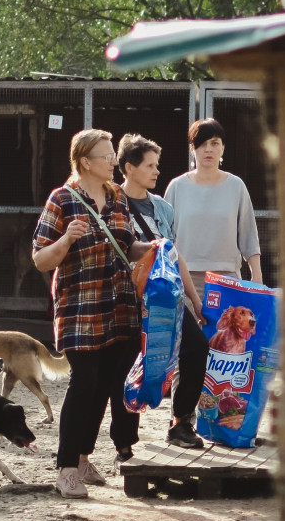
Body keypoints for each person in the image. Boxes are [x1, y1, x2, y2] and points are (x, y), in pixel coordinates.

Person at [32, 129, 151, 499]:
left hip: (118, 307)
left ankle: (84, 457)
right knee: (83, 384)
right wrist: (66, 239)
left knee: (105, 386)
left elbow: (128, 246)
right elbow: (39, 259)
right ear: (85, 161)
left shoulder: (117, 198)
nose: (114, 161)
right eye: (107, 156)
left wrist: (154, 248)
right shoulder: (62, 200)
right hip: (80, 309)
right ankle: (66, 468)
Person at [163, 118, 262, 447]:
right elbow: (165, 239)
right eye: (202, 143)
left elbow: (248, 234)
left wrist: (256, 278)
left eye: (215, 143)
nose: (209, 149)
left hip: (227, 281)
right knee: (188, 351)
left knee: (228, 354)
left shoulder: (236, 186)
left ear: (223, 149)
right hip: (185, 278)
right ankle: (181, 422)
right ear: (193, 149)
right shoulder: (177, 187)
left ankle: (223, 423)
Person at [111, 133, 177, 463]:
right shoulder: (111, 202)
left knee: (192, 347)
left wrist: (189, 298)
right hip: (124, 299)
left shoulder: (162, 207)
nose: (156, 171)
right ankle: (124, 443)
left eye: (157, 164)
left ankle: (181, 423)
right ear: (129, 168)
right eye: (150, 165)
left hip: (162, 298)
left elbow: (174, 254)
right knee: (126, 365)